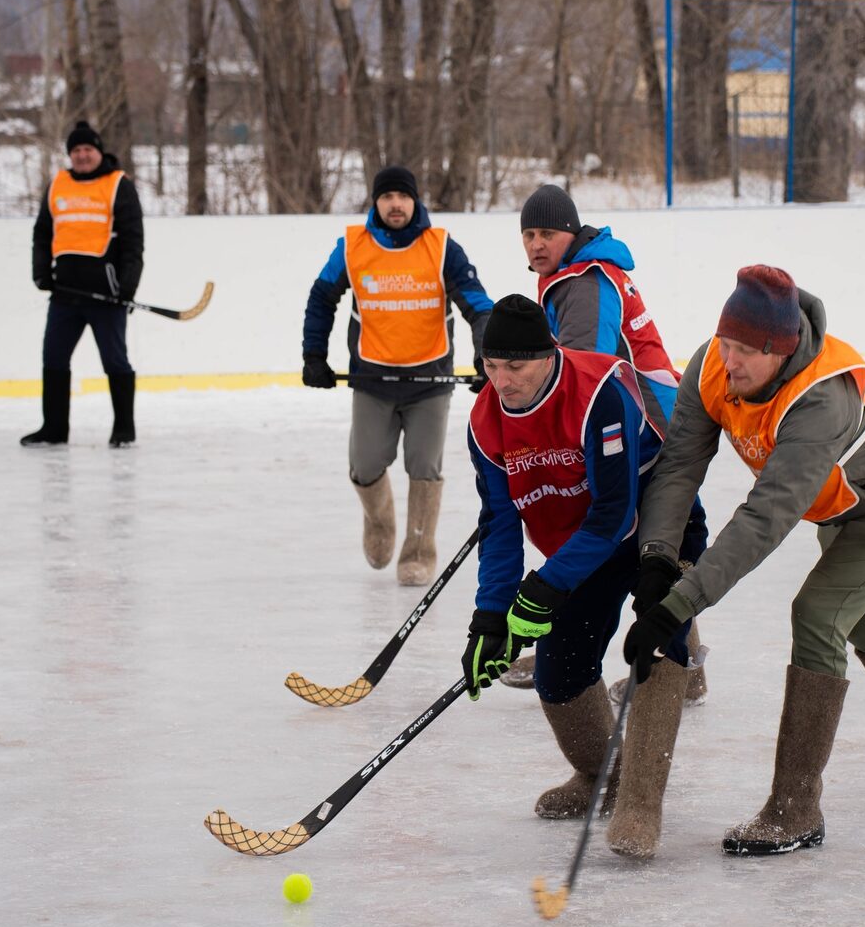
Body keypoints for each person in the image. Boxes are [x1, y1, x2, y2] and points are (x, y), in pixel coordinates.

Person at [621, 265, 865, 858]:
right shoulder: (713, 364)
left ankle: (795, 808)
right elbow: (681, 464)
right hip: (846, 496)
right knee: (854, 606)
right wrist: (658, 558)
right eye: (724, 344)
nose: (727, 361)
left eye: (743, 351)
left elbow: (764, 518)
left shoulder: (819, 401)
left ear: (779, 350)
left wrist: (681, 604)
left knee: (819, 613)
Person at [461, 295, 706, 849]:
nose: (502, 381)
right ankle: (604, 776)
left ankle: (640, 804)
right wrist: (490, 616)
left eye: (515, 366)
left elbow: (616, 511)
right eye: (491, 367)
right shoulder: (484, 421)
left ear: (549, 355)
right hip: (582, 548)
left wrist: (547, 583)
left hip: (655, 531)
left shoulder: (599, 393)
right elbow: (499, 523)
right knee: (560, 673)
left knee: (660, 649)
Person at [498, 183, 709, 705]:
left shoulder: (585, 284)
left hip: (648, 427)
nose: (536, 243)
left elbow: (581, 375)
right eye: (528, 233)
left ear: (572, 231)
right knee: (662, 551)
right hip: (648, 420)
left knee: (648, 547)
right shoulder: (575, 276)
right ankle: (684, 663)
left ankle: (669, 664)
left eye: (547, 232)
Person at [301, 165, 493, 585]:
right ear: (375, 202)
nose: (394, 204)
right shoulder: (353, 246)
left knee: (425, 467)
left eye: (402, 197)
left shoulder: (441, 248)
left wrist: (486, 357)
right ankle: (380, 522)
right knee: (365, 464)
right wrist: (313, 355)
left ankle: (418, 551)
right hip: (372, 379)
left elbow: (479, 305)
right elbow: (321, 298)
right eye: (386, 197)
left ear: (415, 201)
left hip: (430, 381)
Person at [21, 121, 143, 448]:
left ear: (99, 151)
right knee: (54, 359)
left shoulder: (119, 185)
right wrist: (41, 272)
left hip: (107, 295)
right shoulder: (57, 184)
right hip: (64, 294)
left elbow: (133, 243)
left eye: (87, 149)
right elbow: (42, 234)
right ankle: (54, 429)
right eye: (76, 151)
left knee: (115, 361)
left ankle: (123, 429)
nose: (82, 156)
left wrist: (127, 289)